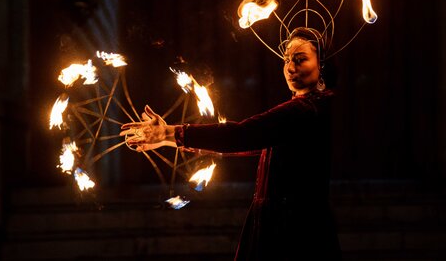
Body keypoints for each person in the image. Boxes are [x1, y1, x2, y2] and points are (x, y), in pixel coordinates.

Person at [121, 27, 341, 260]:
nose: (290, 67)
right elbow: (247, 142)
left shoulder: (305, 111)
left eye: (300, 59)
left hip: (293, 231)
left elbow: (240, 135)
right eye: (287, 59)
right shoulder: (308, 108)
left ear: (322, 66)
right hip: (285, 222)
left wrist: (171, 134)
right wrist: (170, 137)